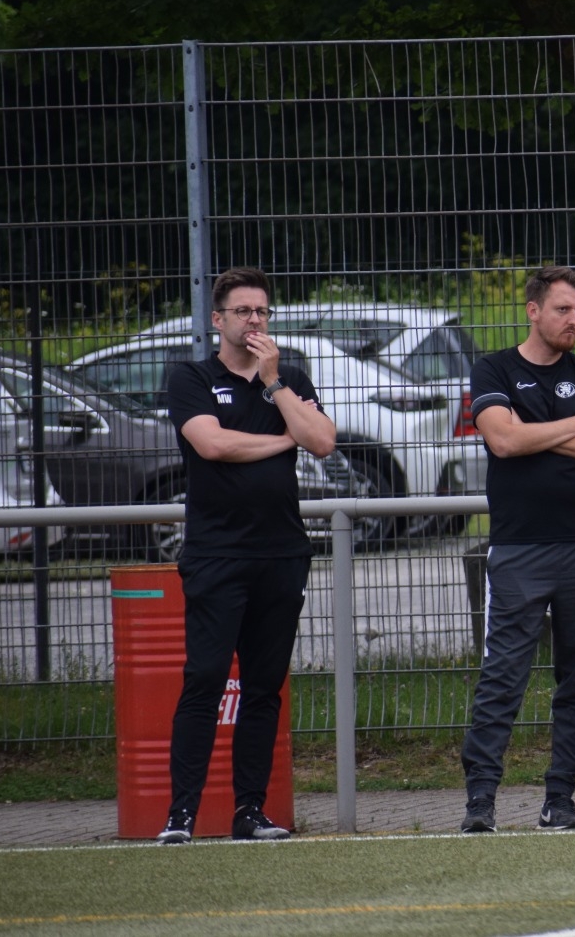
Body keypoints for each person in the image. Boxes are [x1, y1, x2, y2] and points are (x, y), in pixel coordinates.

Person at [158, 266, 338, 843]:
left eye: (261, 311)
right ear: (218, 319)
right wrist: (284, 439)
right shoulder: (191, 377)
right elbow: (213, 444)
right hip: (216, 554)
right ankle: (180, 816)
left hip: (282, 554)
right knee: (206, 679)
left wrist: (274, 382)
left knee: (264, 687)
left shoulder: (288, 378)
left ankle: (250, 813)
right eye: (243, 311)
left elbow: (323, 441)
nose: (254, 321)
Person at [458, 266, 575, 833]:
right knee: (503, 675)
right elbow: (503, 440)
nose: (574, 319)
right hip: (520, 549)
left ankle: (561, 798)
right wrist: (574, 424)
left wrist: (540, 430)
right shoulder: (494, 368)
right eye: (562, 309)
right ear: (533, 311)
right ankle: (481, 800)